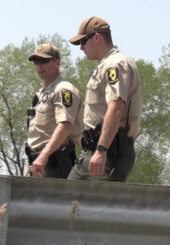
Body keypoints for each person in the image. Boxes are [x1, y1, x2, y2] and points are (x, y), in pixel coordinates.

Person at [67, 17, 141, 182]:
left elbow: (116, 108)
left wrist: (101, 150)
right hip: (96, 150)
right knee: (66, 201)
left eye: (83, 42)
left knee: (94, 206)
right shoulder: (106, 64)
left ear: (97, 38)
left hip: (108, 152)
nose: (81, 48)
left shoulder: (115, 64)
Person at [25, 43, 82, 178]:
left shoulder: (63, 89)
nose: (40, 66)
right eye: (37, 62)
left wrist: (43, 156)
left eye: (45, 61)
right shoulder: (40, 94)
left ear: (57, 63)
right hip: (39, 162)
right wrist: (31, 163)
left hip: (56, 162)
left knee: (56, 199)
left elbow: (65, 126)